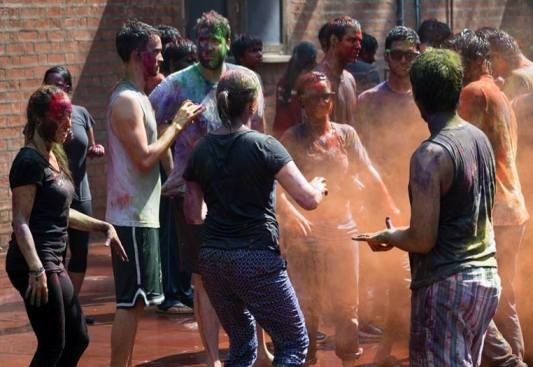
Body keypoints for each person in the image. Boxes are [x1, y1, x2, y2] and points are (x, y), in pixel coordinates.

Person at [355, 48, 500, 367]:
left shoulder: (430, 156)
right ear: (457, 91)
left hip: (446, 287)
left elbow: (423, 239)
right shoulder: (479, 139)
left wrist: (390, 235)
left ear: (418, 97)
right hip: (486, 281)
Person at [183, 67, 327, 367]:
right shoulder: (265, 145)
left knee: (242, 341)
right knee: (293, 341)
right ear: (252, 105)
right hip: (255, 257)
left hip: (213, 258)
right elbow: (308, 200)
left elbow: (193, 214)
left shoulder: (201, 149)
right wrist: (318, 187)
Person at [149, 11, 266, 367]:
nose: (206, 46)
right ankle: (212, 356)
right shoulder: (177, 84)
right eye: (200, 39)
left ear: (227, 42)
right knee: (204, 279)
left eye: (213, 39)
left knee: (252, 270)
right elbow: (147, 120)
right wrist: (169, 163)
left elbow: (261, 135)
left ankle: (260, 352)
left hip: (241, 195)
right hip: (192, 196)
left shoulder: (246, 80)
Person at [279, 71, 398, 366]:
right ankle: (307, 358)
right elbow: (277, 184)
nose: (323, 101)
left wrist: (390, 206)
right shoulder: (292, 138)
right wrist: (291, 213)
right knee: (307, 304)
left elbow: (368, 170)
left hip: (344, 228)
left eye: (327, 96)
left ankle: (349, 359)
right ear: (302, 103)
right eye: (315, 96)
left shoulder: (346, 135)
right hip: (306, 233)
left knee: (347, 304)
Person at [6, 85, 127, 366]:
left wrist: (103, 226)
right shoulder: (28, 161)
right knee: (53, 344)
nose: (67, 124)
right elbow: (20, 220)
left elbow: (61, 212)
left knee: (78, 338)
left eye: (69, 116)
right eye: (60, 116)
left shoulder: (54, 156)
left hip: (52, 261)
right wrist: (36, 269)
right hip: (33, 263)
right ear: (38, 118)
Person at [106, 20, 203, 366]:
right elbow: (145, 157)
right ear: (138, 55)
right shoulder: (126, 101)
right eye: (157, 52)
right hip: (129, 216)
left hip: (143, 215)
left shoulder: (142, 97)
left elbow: (156, 156)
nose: (161, 58)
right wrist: (177, 124)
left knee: (139, 300)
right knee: (130, 301)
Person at [453, 30, 528, 367]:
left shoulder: (474, 93)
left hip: (495, 211)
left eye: (458, 62)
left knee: (486, 298)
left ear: (473, 62)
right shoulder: (497, 91)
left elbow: (458, 148)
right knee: (504, 297)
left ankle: (512, 362)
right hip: (512, 206)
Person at [354, 25, 425, 365]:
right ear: (386, 57)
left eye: (410, 55)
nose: (403, 61)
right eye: (397, 54)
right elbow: (360, 151)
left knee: (417, 275)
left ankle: (408, 344)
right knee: (389, 276)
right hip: (382, 196)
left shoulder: (428, 98)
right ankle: (388, 345)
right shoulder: (369, 100)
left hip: (422, 195)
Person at [42, 66, 105, 303]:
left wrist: (95, 149)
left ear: (68, 87)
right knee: (55, 252)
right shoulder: (41, 118)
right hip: (54, 194)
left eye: (57, 84)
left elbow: (90, 145)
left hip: (80, 192)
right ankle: (56, 305)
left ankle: (71, 306)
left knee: (80, 253)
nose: (51, 89)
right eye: (47, 84)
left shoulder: (81, 113)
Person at [315, 16, 362, 126]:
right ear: (334, 40)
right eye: (351, 40)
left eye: (359, 41)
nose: (358, 46)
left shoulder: (350, 79)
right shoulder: (317, 80)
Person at [272, 41, 317, 138]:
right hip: (296, 136)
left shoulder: (283, 81)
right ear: (312, 61)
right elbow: (301, 114)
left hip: (279, 132)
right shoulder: (307, 82)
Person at [482, 29, 533, 100]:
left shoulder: (518, 78)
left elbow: (506, 110)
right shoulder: (530, 68)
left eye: (490, 59)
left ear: (497, 57)